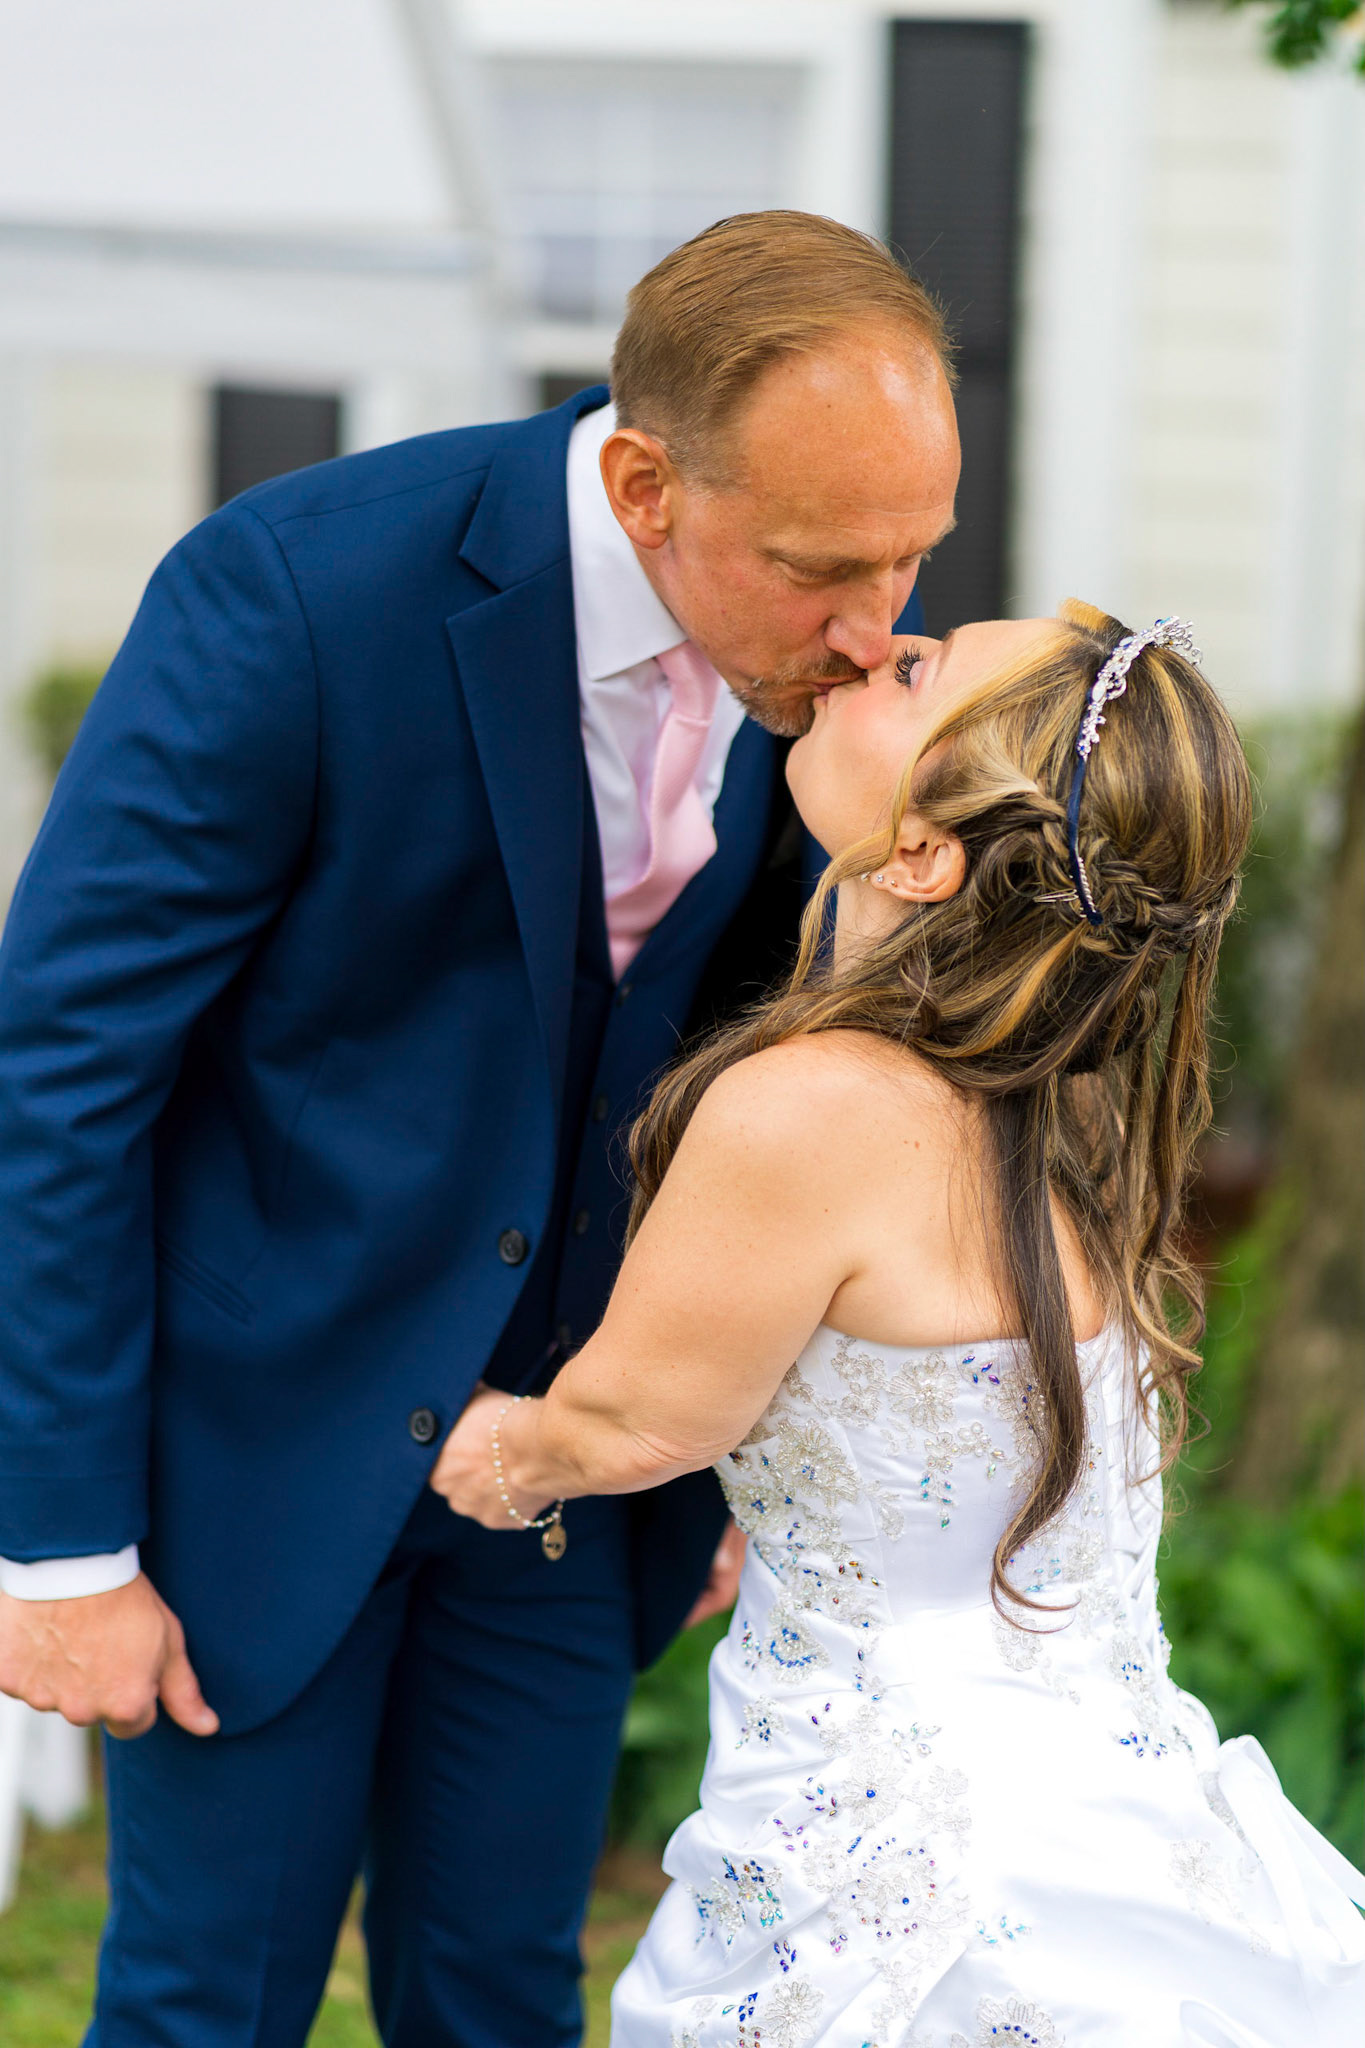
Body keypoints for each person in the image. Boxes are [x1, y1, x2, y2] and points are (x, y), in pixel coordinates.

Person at [0, 212, 959, 2046]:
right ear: (644, 485)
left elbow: (766, 1074)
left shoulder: (831, 674)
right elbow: (61, 1068)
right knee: (209, 2006)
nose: (875, 629)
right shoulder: (295, 593)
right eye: (821, 568)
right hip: (262, 1459)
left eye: (912, 556)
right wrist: (61, 1551)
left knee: (508, 2000)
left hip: (571, 1497)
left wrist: (731, 1442)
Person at [435, 605, 1365, 2045]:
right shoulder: (1070, 1104)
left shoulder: (809, 1108)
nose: (879, 643)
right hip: (1118, 1808)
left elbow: (634, 1421)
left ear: (924, 855)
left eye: (917, 670)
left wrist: (488, 1452)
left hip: (911, 1865)